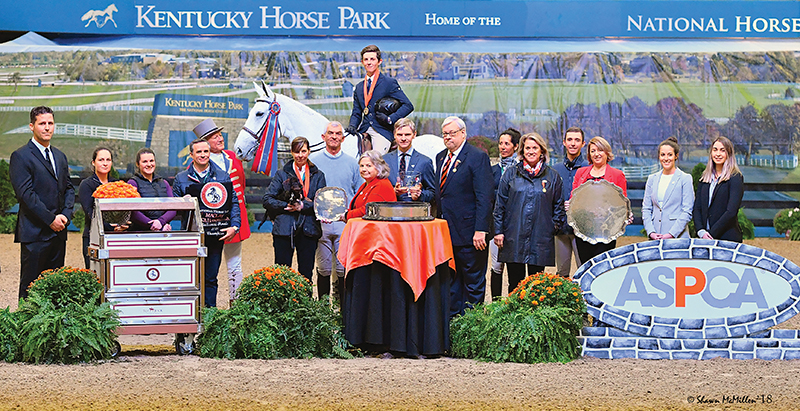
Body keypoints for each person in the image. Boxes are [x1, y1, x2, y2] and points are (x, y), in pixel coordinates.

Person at [10, 106, 74, 299]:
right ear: (31, 126)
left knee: (54, 291)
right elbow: (26, 195)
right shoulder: (20, 156)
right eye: (42, 123)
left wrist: (65, 215)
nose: (47, 128)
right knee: (31, 290)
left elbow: (69, 189)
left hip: (58, 234)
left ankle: (51, 330)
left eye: (50, 123)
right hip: (35, 234)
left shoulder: (60, 156)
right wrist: (50, 219)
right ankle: (27, 328)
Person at [435, 116, 493, 318]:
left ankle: (471, 328)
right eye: (445, 134)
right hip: (446, 233)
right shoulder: (441, 157)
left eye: (452, 133)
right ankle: (453, 329)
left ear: (463, 134)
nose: (448, 137)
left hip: (471, 235)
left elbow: (484, 197)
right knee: (451, 282)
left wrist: (481, 230)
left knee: (473, 284)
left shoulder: (477, 157)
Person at [493, 133, 565, 294]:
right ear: (522, 150)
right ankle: (514, 317)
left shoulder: (553, 177)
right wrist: (498, 231)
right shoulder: (510, 174)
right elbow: (500, 206)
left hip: (540, 239)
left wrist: (551, 227)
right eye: (527, 148)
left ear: (542, 151)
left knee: (536, 287)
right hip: (514, 237)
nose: (531, 151)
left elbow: (559, 207)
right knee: (515, 284)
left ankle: (534, 318)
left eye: (535, 148)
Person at [173, 139, 240, 308]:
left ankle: (210, 318)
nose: (203, 155)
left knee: (211, 277)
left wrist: (234, 226)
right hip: (191, 236)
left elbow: (234, 203)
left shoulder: (223, 176)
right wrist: (182, 203)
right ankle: (189, 316)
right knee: (190, 277)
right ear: (191, 155)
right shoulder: (181, 178)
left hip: (214, 235)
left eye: (206, 151)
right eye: (199, 152)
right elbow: (173, 207)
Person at [192, 119, 251, 305]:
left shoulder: (232, 157)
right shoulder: (196, 165)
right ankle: (208, 306)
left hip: (233, 216)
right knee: (210, 267)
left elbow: (241, 183)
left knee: (235, 262)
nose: (220, 138)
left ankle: (236, 302)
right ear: (204, 143)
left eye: (219, 135)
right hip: (211, 221)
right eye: (214, 136)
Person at [310, 121, 363, 301]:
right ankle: (323, 309)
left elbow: (359, 193)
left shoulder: (352, 163)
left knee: (343, 268)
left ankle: (344, 312)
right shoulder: (314, 162)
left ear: (343, 137)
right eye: (330, 133)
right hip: (321, 224)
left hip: (344, 223)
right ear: (323, 137)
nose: (334, 136)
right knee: (323, 267)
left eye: (338, 133)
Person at [263, 137, 326, 283]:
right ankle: (283, 305)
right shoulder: (281, 174)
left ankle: (304, 305)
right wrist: (286, 206)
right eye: (297, 151)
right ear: (292, 152)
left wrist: (302, 206)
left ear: (309, 152)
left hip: (308, 228)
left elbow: (321, 204)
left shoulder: (318, 175)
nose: (300, 155)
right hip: (285, 228)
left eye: (303, 151)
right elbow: (267, 199)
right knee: (281, 273)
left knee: (306, 274)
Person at [346, 44, 414, 155]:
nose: (369, 62)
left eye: (372, 59)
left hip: (381, 131)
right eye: (366, 59)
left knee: (375, 160)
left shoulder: (389, 83)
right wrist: (352, 125)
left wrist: (390, 119)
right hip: (364, 129)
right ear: (362, 62)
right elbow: (357, 112)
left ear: (379, 61)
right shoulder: (359, 87)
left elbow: (408, 105)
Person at [571, 136, 629, 265]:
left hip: (606, 231)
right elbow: (574, 199)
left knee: (602, 266)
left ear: (607, 153)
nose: (596, 154)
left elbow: (622, 204)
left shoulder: (617, 175)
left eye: (600, 150)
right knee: (585, 266)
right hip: (583, 229)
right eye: (593, 151)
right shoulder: (581, 173)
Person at [552, 127, 589, 278]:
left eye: (577, 140)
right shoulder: (555, 170)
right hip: (561, 229)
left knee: (585, 270)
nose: (573, 143)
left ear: (583, 143)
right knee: (561, 273)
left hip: (583, 230)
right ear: (564, 143)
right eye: (570, 140)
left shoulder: (589, 168)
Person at [693, 136, 744, 242]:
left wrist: (711, 234)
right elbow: (697, 208)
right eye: (715, 150)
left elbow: (731, 212)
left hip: (727, 238)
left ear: (728, 153)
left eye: (722, 150)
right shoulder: (704, 178)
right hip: (704, 237)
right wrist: (701, 232)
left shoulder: (735, 177)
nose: (718, 154)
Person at [78, 147, 122, 269]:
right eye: (101, 159)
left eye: (108, 160)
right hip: (93, 236)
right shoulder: (86, 185)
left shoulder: (117, 184)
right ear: (93, 162)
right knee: (95, 274)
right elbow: (90, 213)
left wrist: (122, 225)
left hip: (115, 236)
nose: (105, 163)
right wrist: (110, 226)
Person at [642, 137, 694, 240]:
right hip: (655, 238)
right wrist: (651, 232)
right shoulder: (652, 179)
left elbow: (687, 211)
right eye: (663, 155)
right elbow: (646, 208)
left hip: (678, 238)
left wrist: (670, 234)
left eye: (670, 155)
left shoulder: (685, 178)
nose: (666, 158)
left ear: (676, 156)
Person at [489, 128, 520, 298]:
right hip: (496, 225)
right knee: (496, 266)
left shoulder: (520, 170)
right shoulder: (492, 170)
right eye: (500, 143)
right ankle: (495, 304)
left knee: (514, 268)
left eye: (507, 143)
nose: (502, 147)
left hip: (515, 226)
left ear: (515, 146)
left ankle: (512, 306)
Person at [382, 118, 435, 203]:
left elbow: (432, 192)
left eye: (407, 134)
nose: (403, 138)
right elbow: (378, 189)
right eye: (399, 135)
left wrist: (419, 195)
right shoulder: (384, 160)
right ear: (394, 135)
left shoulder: (425, 162)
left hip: (415, 211)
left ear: (414, 135)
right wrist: (392, 192)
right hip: (390, 210)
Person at [128, 147, 176, 232]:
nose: (149, 164)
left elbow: (173, 208)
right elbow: (132, 211)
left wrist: (161, 222)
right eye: (144, 161)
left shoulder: (164, 183)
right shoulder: (132, 183)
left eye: (151, 161)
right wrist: (153, 225)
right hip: (140, 234)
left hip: (164, 231)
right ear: (137, 164)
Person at [347, 150, 397, 220]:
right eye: (361, 166)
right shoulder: (366, 184)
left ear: (379, 167)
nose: (364, 169)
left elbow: (369, 210)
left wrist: (347, 215)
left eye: (368, 166)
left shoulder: (381, 185)